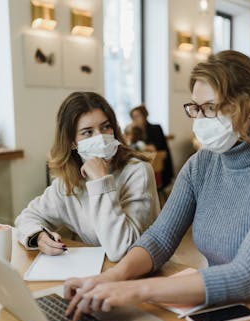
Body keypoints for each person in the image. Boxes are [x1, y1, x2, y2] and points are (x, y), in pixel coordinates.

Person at [63, 50, 250, 321]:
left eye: (211, 108)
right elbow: (160, 238)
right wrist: (110, 278)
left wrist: (137, 289)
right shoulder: (201, 165)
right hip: (224, 304)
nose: (200, 119)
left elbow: (246, 275)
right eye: (195, 108)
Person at [15, 92, 160, 262]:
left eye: (105, 127)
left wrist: (101, 180)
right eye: (87, 132)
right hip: (94, 271)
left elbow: (122, 250)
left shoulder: (137, 171)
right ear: (72, 142)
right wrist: (39, 237)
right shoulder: (68, 182)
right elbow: (27, 217)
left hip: (137, 274)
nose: (100, 137)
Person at [129, 105, 174, 189]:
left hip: (160, 168)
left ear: (144, 116)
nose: (135, 119)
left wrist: (141, 147)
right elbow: (132, 148)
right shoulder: (136, 133)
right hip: (145, 167)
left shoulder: (156, 128)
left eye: (137, 116)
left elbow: (154, 148)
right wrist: (132, 132)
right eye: (133, 117)